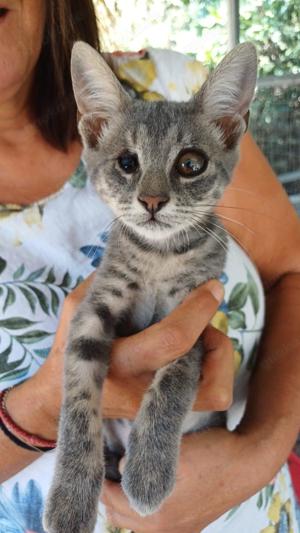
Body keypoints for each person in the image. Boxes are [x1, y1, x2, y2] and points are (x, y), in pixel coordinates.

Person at [0, 2, 300, 532]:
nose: (153, 197)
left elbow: (291, 272)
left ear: (227, 133)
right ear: (96, 131)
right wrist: (42, 414)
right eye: (128, 164)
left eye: (187, 166)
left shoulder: (170, 81)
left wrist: (260, 454)